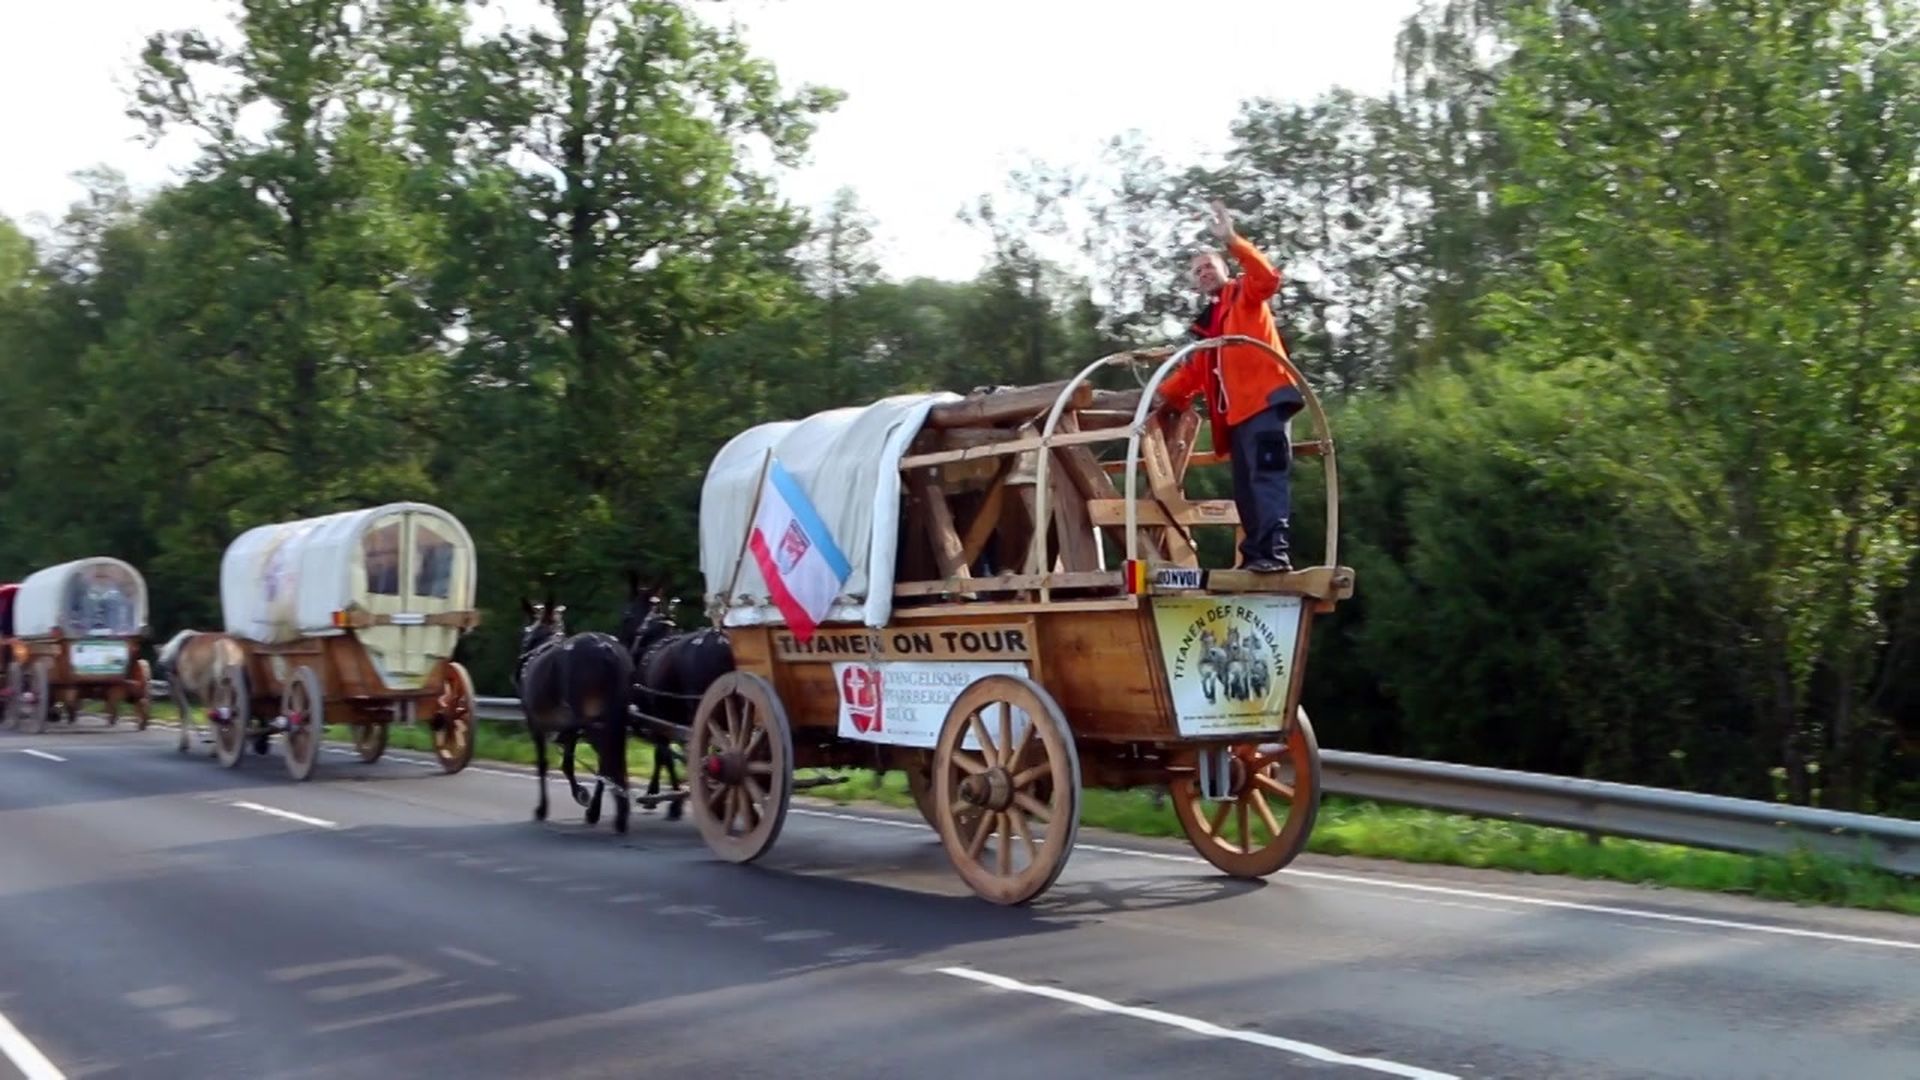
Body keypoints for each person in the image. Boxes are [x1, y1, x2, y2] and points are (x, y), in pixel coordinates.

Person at [1151, 200, 1303, 573]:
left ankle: (1274, 555)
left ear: (1225, 269)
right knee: (1247, 489)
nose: (1203, 273)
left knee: (1266, 479)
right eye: (1198, 270)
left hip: (1265, 405)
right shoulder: (1209, 326)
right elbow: (1192, 377)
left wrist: (1233, 240)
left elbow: (1268, 278)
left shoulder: (1245, 296)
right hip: (1237, 418)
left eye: (1209, 266)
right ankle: (1255, 558)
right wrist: (1156, 398)